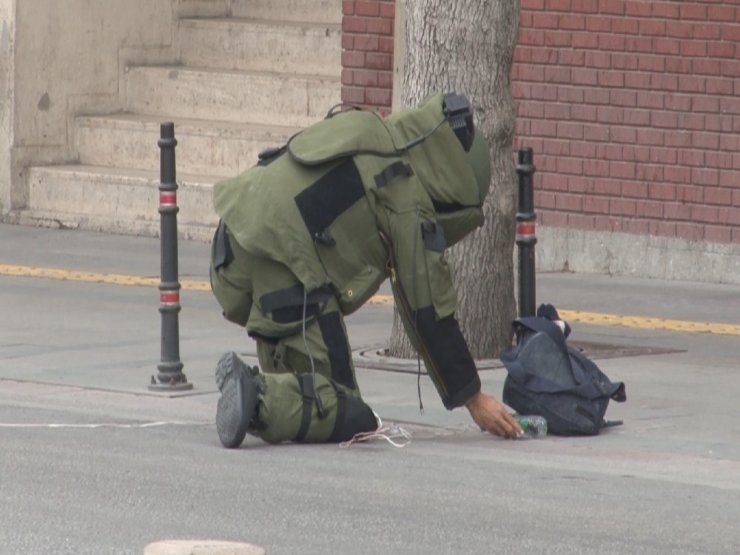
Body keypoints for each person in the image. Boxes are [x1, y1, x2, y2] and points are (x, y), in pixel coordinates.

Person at [209, 91, 524, 448]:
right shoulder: (406, 194)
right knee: (348, 412)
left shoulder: (372, 135)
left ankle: (259, 388)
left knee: (306, 389)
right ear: (454, 195)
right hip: (283, 266)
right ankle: (256, 398)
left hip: (233, 250)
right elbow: (427, 307)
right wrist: (474, 398)